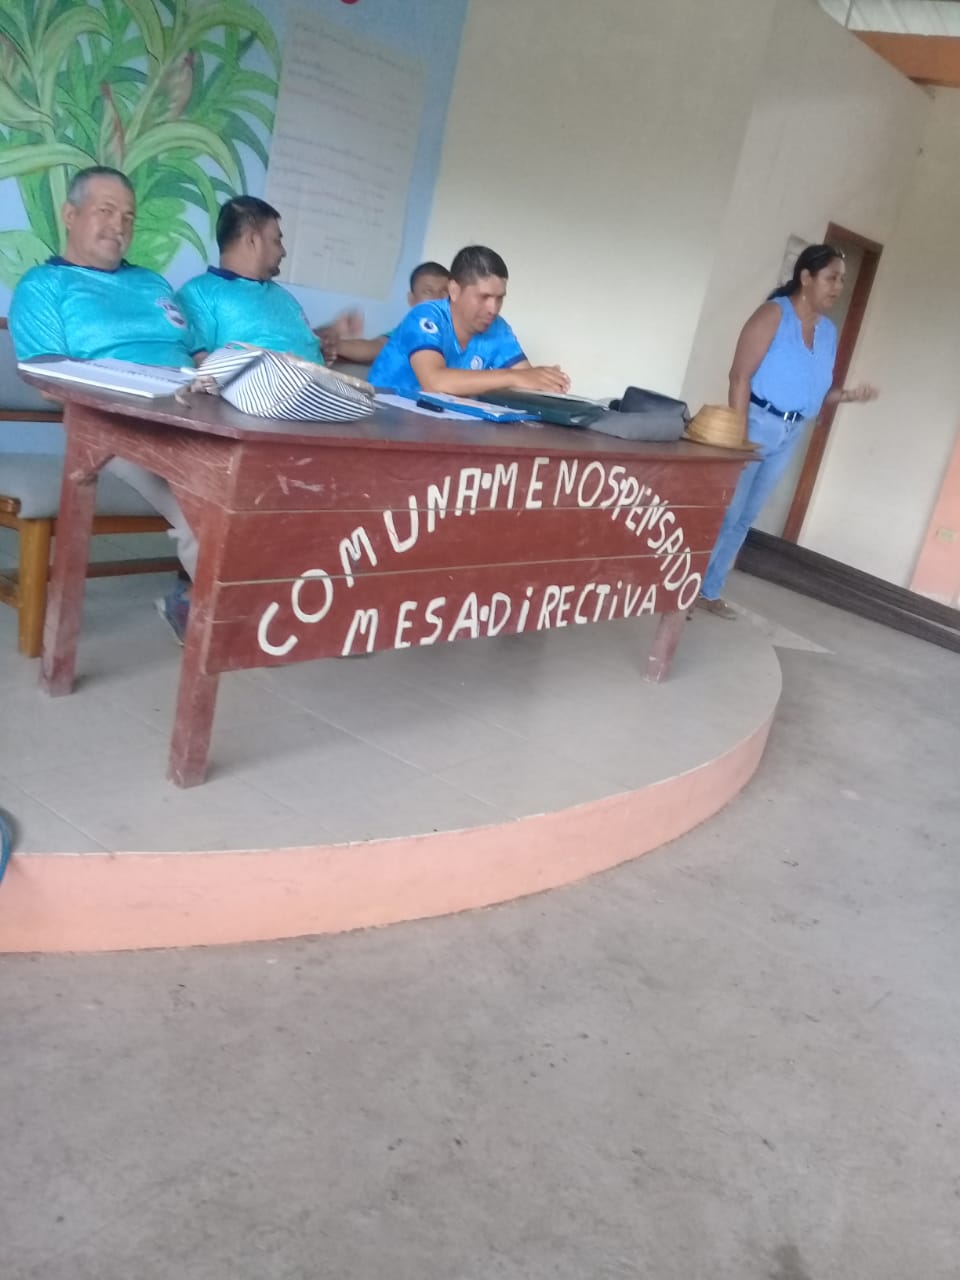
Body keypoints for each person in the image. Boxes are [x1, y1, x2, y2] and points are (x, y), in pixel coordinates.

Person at [9, 165, 201, 642]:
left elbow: (193, 352)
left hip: (197, 416)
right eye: (107, 211)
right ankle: (235, 616)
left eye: (129, 216)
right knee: (207, 507)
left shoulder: (153, 284)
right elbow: (48, 382)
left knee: (268, 485)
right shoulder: (44, 286)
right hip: (113, 431)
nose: (120, 225)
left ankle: (221, 600)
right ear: (70, 214)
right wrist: (138, 390)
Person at [696, 243, 878, 619]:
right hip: (754, 425)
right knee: (727, 513)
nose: (838, 287)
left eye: (842, 280)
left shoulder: (827, 332)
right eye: (831, 278)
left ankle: (709, 591)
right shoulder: (773, 315)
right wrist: (738, 438)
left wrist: (847, 396)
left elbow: (816, 391)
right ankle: (684, 589)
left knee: (745, 518)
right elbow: (739, 377)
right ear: (806, 277)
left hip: (791, 432)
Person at [368, 244, 570, 397]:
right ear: (454, 290)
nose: (493, 309)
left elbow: (528, 382)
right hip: (383, 421)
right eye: (484, 297)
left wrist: (548, 382)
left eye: (499, 298)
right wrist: (513, 377)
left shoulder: (498, 328)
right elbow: (434, 382)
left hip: (442, 427)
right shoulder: (426, 316)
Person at [176, 196, 357, 362]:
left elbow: (286, 338)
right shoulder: (198, 294)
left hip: (319, 383)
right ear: (252, 241)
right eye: (277, 241)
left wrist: (330, 333)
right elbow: (199, 363)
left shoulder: (283, 297)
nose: (283, 252)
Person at [329, 261, 450, 366]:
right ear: (411, 299)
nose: (438, 299)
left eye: (444, 292)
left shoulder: (456, 334)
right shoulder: (407, 331)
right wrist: (333, 345)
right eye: (428, 292)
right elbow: (377, 346)